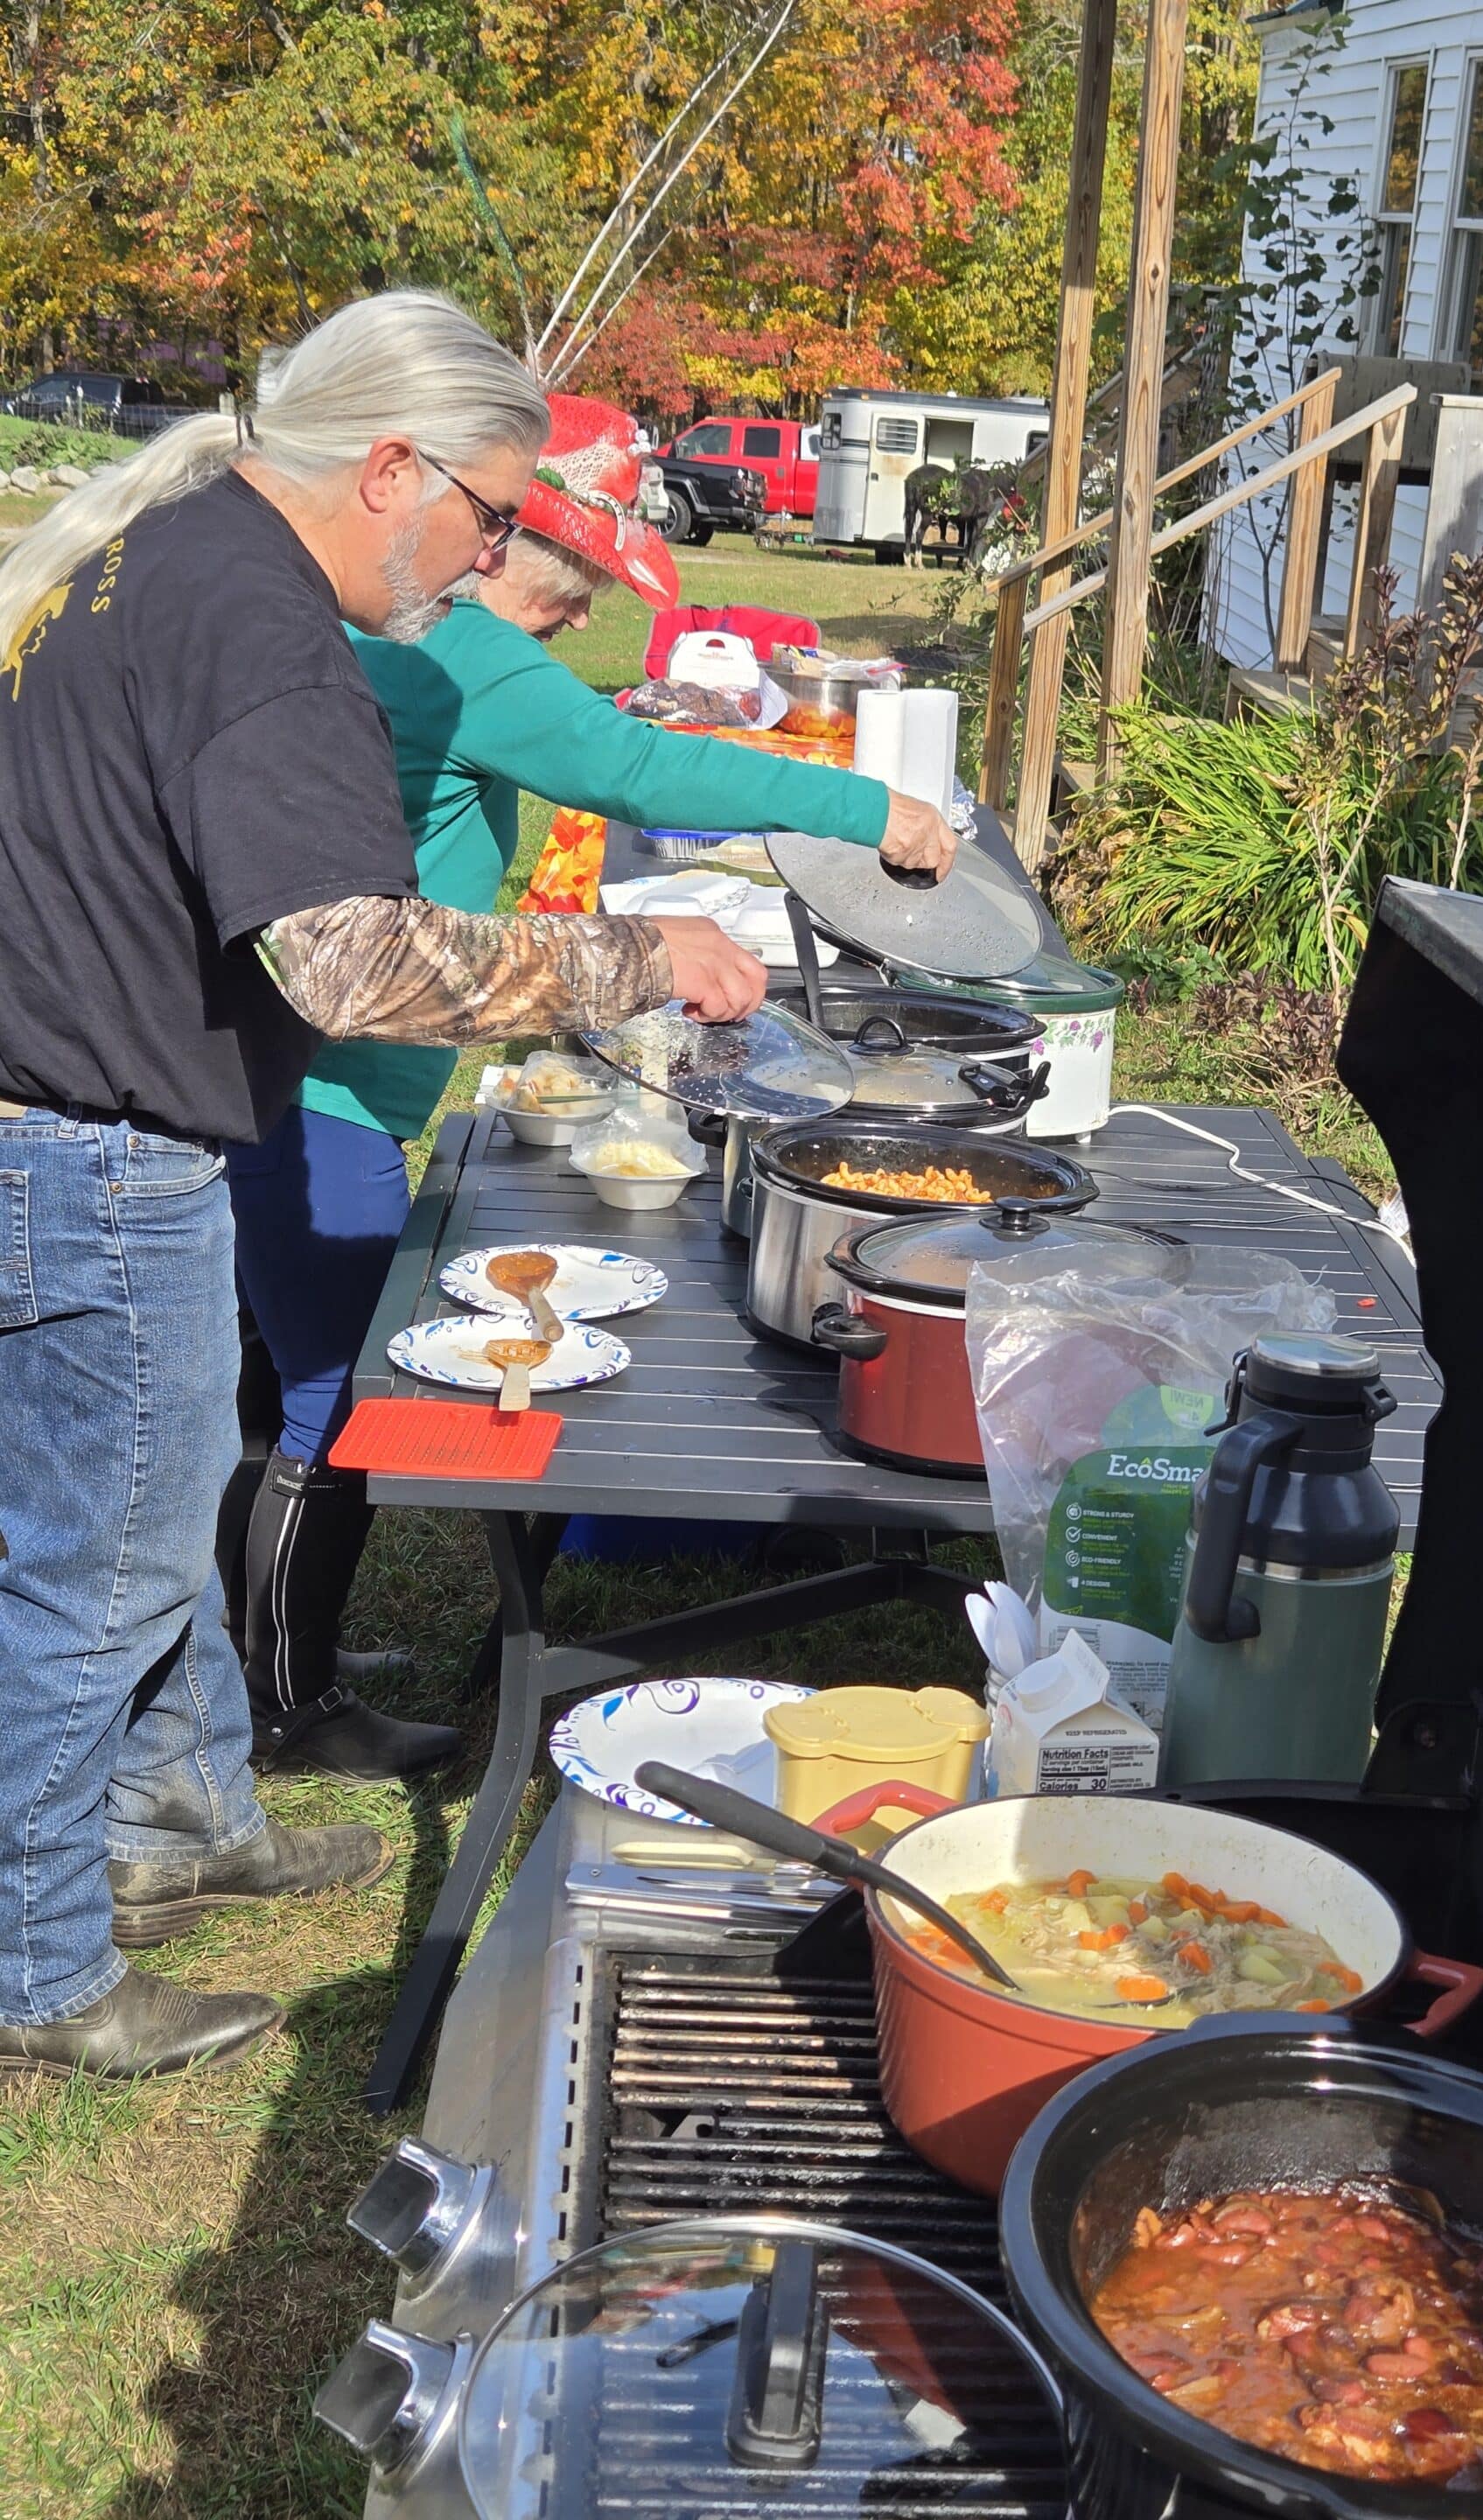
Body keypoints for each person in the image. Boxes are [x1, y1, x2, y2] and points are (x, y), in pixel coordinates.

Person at [0, 291, 791, 2081]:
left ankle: (189, 1812)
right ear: (388, 470)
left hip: (100, 1114)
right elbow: (351, 967)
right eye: (492, 515)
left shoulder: (171, 544)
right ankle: (39, 1969)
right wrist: (627, 959)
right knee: (94, 1573)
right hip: (81, 1132)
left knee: (164, 1493)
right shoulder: (271, 634)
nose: (493, 556)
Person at [222, 393, 957, 1781]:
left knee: (275, 1389)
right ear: (496, 546)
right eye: (577, 598)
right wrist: (876, 808)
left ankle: (266, 1657)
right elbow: (630, 767)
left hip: (298, 1062)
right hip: (330, 1086)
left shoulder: (401, 631)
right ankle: (282, 1711)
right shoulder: (467, 648)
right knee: (327, 1403)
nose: (573, 629)